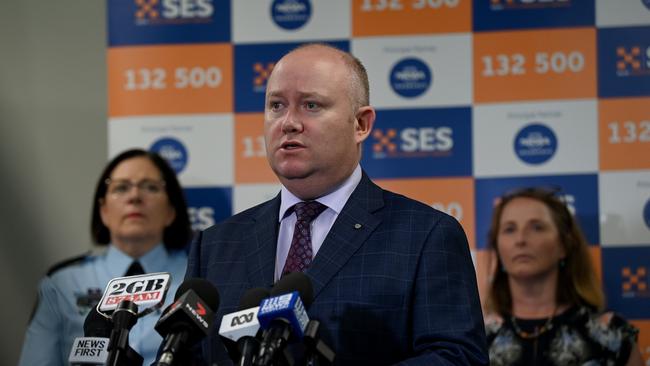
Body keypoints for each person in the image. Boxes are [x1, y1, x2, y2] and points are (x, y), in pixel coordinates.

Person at [186, 43, 488, 365]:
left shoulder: (426, 236)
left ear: (361, 125)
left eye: (311, 105)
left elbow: (456, 357)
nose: (288, 122)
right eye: (276, 105)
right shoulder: (215, 245)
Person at [18, 148, 192, 366]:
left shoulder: (195, 277)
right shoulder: (62, 283)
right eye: (121, 187)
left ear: (171, 211)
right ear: (104, 211)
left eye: (150, 187)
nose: (135, 196)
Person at [483, 187, 643, 366]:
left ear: (564, 245)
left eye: (537, 227)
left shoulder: (610, 335)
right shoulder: (478, 338)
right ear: (497, 248)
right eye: (509, 229)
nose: (520, 239)